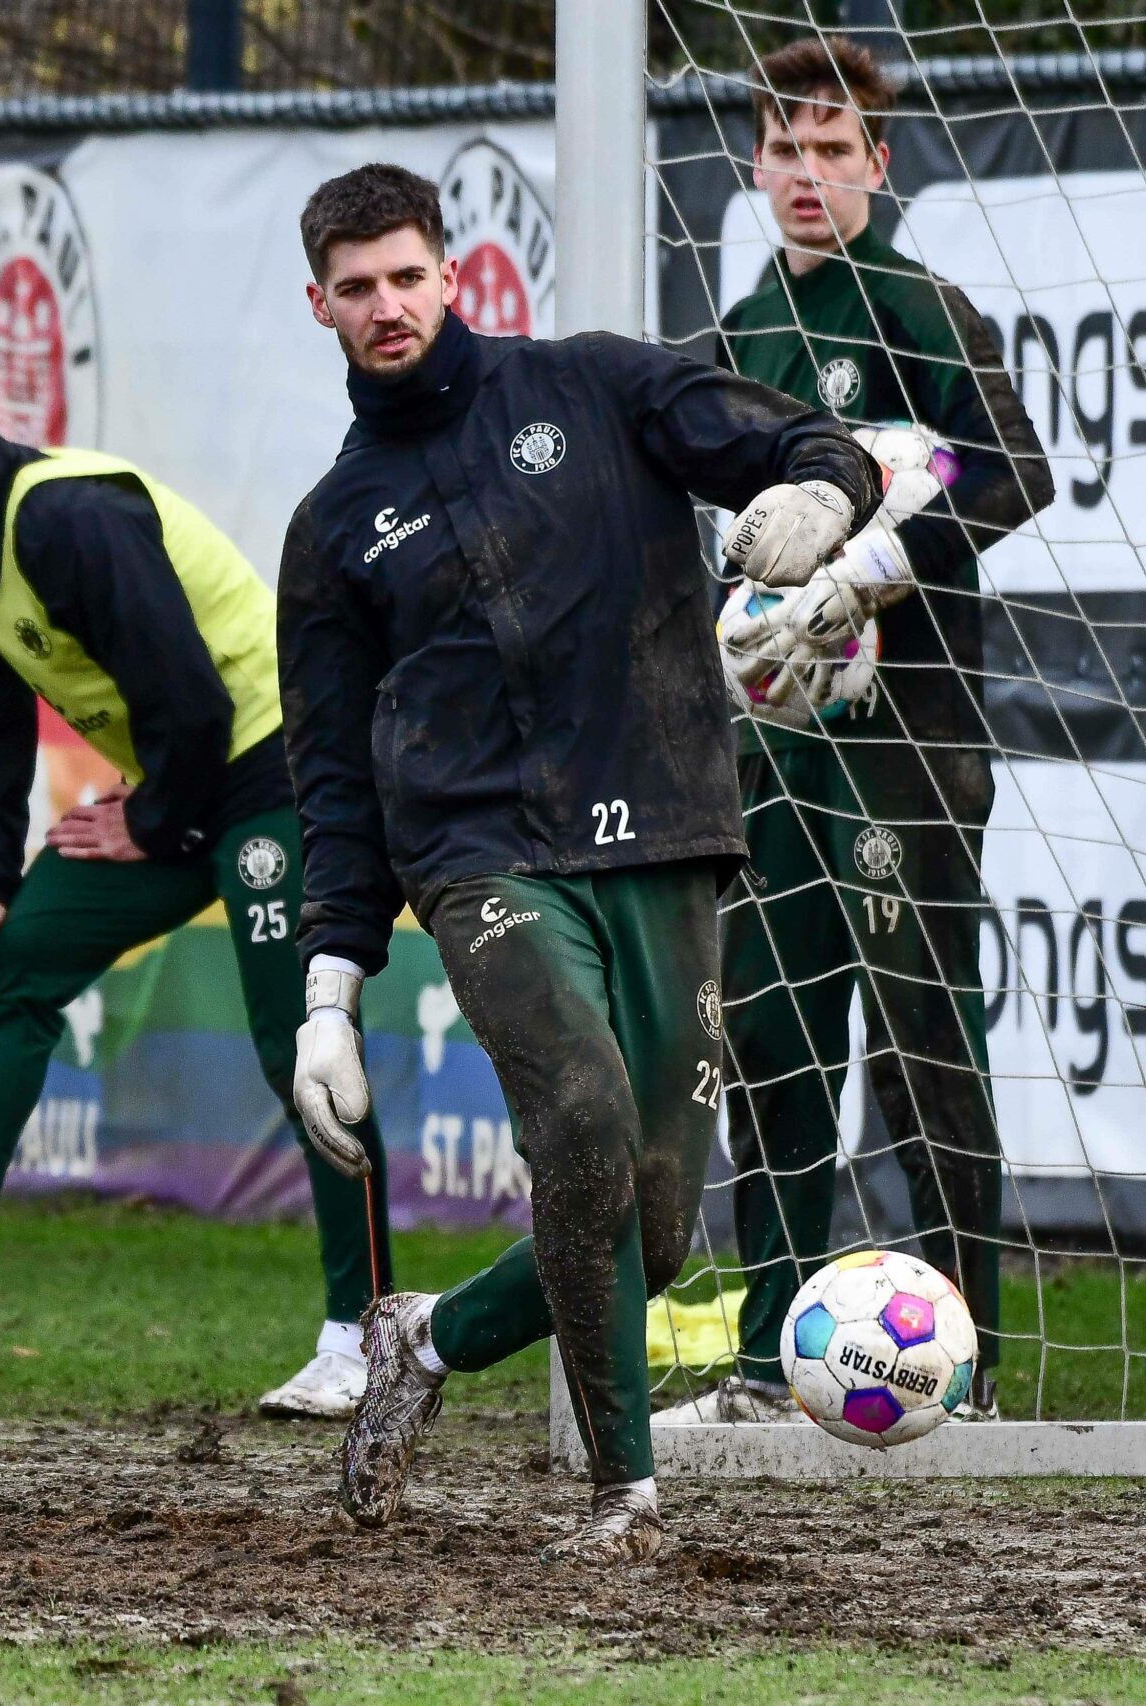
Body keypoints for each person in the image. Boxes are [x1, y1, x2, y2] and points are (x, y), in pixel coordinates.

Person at [279, 163, 879, 1560]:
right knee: (586, 1120)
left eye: (405, 276)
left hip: (666, 823)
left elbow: (809, 444)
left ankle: (427, 1338)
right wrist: (329, 983)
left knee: (651, 1227)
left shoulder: (597, 387)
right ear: (323, 304)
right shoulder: (333, 528)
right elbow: (331, 776)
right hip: (479, 853)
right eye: (355, 288)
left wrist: (821, 499)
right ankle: (627, 1498)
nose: (386, 306)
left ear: (452, 275)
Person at [0, 363, 394, 1421]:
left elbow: (194, 702)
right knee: (9, 957)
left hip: (272, 769)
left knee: (298, 1048)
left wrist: (149, 818)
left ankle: (370, 1332)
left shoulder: (71, 515)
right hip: (182, 785)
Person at [655, 36, 1053, 1428]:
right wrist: (738, 617)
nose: (809, 173)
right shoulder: (745, 331)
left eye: (836, 150)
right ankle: (768, 1357)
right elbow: (708, 535)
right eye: (786, 147)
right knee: (770, 1037)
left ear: (879, 167)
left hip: (910, 747)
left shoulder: (920, 307)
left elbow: (1018, 471)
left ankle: (971, 1365)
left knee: (926, 1043)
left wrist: (866, 573)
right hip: (774, 755)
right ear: (756, 162)